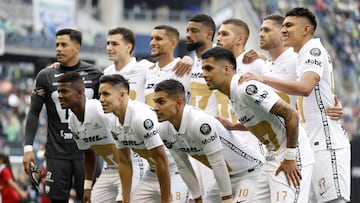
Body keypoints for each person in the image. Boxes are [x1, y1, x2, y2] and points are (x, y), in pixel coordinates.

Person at [240, 7, 350, 203]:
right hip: (309, 143)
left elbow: (306, 87)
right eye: (282, 26)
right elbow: (318, 89)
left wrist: (263, 79)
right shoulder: (300, 56)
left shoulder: (313, 51)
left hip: (326, 143)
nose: (284, 30)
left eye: (289, 25)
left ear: (306, 29)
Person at [201, 46, 315, 203]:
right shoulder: (233, 94)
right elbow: (261, 120)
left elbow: (292, 115)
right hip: (271, 157)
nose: (204, 74)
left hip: (291, 154)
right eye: (203, 69)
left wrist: (290, 157)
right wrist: (234, 126)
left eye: (209, 68)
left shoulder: (245, 89)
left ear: (226, 69)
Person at [23, 28, 102, 203]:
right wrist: (28, 148)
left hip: (88, 153)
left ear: (77, 47)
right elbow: (34, 112)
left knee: (91, 199)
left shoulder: (95, 75)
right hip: (57, 152)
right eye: (57, 44)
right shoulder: (45, 75)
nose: (59, 48)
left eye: (64, 44)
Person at [153, 79, 264, 203]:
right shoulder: (163, 130)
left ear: (179, 103)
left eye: (161, 102)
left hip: (250, 172)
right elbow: (183, 165)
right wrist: (197, 198)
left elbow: (218, 163)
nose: (155, 108)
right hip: (226, 178)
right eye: (155, 102)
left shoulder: (199, 123)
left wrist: (226, 200)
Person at [98, 74, 172, 203]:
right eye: (100, 95)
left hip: (173, 170)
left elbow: (162, 160)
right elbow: (125, 162)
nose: (101, 99)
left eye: (106, 94)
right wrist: (125, 198)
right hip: (153, 171)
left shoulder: (141, 118)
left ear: (122, 95)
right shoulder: (112, 120)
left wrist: (166, 199)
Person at [141, 24, 190, 203]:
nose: (152, 42)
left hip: (179, 158)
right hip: (153, 158)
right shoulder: (145, 71)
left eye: (158, 39)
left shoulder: (185, 67)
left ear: (173, 43)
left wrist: (190, 59)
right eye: (151, 38)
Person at [57, 71, 122, 203]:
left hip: (131, 165)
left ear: (80, 93)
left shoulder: (100, 111)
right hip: (110, 169)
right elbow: (89, 153)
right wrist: (87, 187)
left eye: (64, 91)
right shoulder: (72, 123)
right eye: (58, 92)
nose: (59, 96)